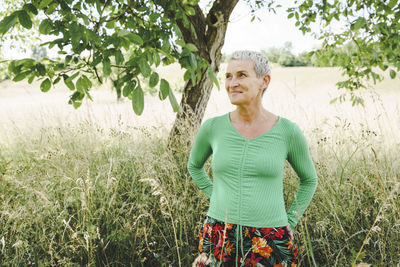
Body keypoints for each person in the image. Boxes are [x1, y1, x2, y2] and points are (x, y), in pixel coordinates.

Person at [187, 50, 318, 267]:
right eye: (228, 76)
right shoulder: (212, 127)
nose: (232, 83)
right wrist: (216, 196)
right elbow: (194, 166)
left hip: (269, 237)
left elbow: (309, 180)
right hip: (219, 233)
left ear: (264, 81)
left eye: (241, 75)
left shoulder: (288, 131)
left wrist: (291, 221)